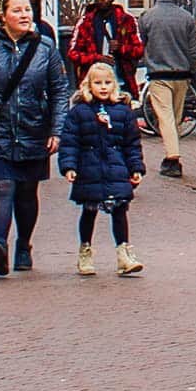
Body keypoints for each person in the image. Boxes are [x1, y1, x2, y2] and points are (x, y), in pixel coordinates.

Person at [0, 0, 68, 279]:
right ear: (4, 15)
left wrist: (57, 130)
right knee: (0, 189)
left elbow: (60, 91)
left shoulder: (45, 47)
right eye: (18, 10)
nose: (25, 15)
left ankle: (24, 244)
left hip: (33, 129)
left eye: (28, 10)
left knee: (26, 193)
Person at [59, 57, 149, 276]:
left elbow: (132, 143)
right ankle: (85, 251)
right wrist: (69, 166)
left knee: (120, 209)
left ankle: (123, 253)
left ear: (114, 85)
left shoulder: (123, 111)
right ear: (89, 85)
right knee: (89, 211)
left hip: (117, 167)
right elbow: (70, 142)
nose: (103, 88)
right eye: (98, 83)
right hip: (89, 167)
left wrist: (136, 168)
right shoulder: (79, 112)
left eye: (107, 83)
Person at [135, 0, 196, 177]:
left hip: (159, 74)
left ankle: (173, 158)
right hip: (182, 74)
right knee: (176, 116)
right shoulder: (187, 18)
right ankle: (171, 156)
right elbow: (192, 50)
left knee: (165, 117)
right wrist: (192, 69)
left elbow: (141, 44)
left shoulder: (147, 17)